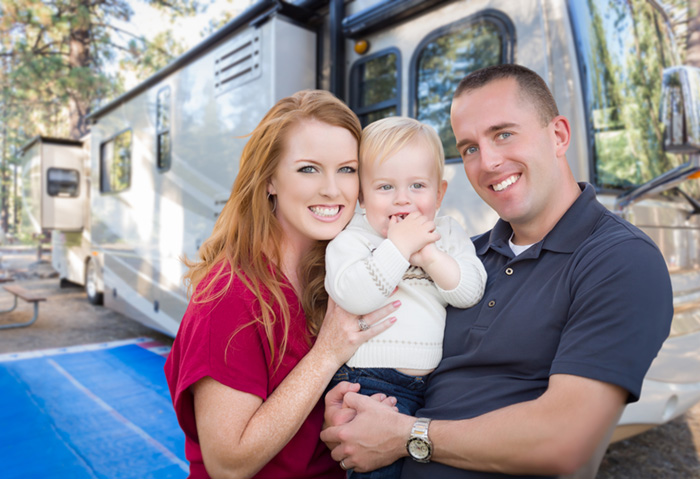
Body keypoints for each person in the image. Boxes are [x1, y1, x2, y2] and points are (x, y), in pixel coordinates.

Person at [321, 64, 673, 478]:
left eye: (503, 134)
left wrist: (406, 436)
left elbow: (566, 442)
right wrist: (352, 408)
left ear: (558, 135)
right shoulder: (465, 255)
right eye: (469, 147)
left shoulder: (619, 260)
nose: (487, 161)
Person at [164, 90, 401, 479]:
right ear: (270, 178)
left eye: (347, 169)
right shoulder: (229, 295)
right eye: (309, 169)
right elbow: (229, 463)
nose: (333, 189)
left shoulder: (342, 276)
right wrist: (327, 355)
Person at [324, 117, 487, 478]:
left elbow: (470, 291)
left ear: (439, 193)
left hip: (434, 386)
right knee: (377, 470)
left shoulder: (445, 232)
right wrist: (398, 248)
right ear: (362, 196)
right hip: (369, 383)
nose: (403, 199)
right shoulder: (353, 237)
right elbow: (353, 295)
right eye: (385, 187)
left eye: (417, 185)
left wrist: (428, 255)